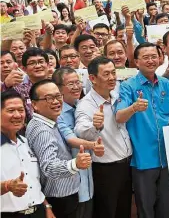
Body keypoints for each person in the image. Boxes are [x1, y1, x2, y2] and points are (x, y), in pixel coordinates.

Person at [115, 43, 169, 218]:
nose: (150, 60)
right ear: (136, 61)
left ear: (160, 58)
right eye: (145, 57)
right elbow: (119, 117)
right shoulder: (128, 86)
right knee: (146, 210)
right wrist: (133, 107)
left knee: (167, 208)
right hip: (143, 158)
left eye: (154, 56)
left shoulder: (166, 84)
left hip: (168, 155)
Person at [75, 57, 132, 218]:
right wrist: (95, 126)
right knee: (107, 212)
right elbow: (80, 130)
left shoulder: (117, 95)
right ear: (92, 78)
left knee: (124, 211)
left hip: (126, 165)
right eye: (106, 74)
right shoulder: (86, 105)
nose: (112, 77)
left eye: (113, 73)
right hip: (106, 171)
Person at [26, 80, 92, 218]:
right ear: (34, 104)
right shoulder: (42, 130)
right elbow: (49, 166)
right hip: (59, 198)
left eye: (58, 96)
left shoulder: (48, 122)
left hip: (62, 195)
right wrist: (75, 164)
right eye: (49, 98)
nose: (56, 101)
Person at [54, 68, 105, 218]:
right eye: (71, 84)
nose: (76, 87)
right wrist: (94, 146)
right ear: (58, 88)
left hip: (88, 179)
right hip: (70, 185)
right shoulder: (58, 113)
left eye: (78, 82)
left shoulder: (82, 106)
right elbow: (71, 140)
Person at [1, 90, 55, 218]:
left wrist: (46, 206)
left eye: (21, 110)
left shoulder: (25, 142)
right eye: (11, 110)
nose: (17, 115)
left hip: (38, 212)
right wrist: (8, 186)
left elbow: (33, 182)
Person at [2, 48, 49, 123]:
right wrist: (6, 85)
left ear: (48, 64)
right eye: (32, 63)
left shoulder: (56, 85)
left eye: (41, 62)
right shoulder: (18, 90)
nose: (37, 66)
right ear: (24, 69)